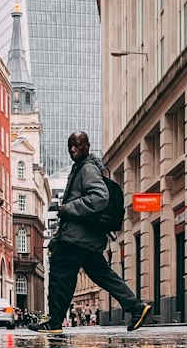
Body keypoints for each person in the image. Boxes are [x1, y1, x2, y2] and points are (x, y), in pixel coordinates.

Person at [29, 131, 151, 334]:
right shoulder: (83, 167)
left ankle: (54, 322)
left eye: (77, 145)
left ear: (87, 146)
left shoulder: (87, 169)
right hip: (87, 238)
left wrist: (68, 208)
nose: (73, 150)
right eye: (70, 146)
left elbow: (100, 197)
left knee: (60, 274)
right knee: (104, 275)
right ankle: (137, 308)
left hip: (77, 238)